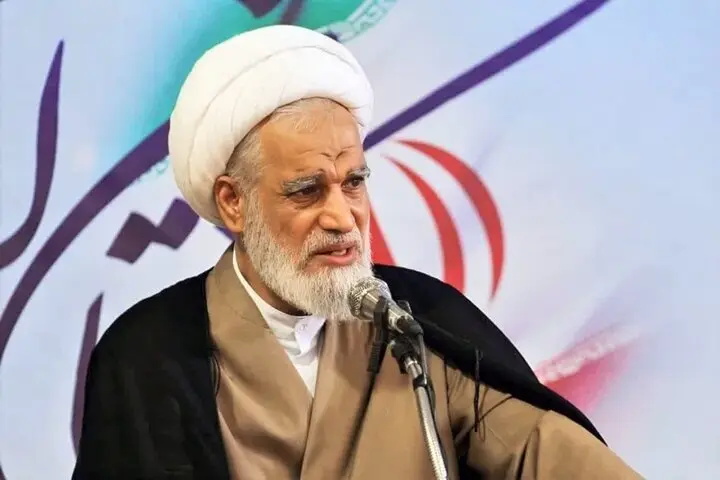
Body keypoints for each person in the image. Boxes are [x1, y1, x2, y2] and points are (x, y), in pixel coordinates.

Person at [72, 25, 642, 479]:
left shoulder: (418, 324)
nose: (343, 217)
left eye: (353, 183)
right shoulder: (150, 356)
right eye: (307, 190)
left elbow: (541, 448)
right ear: (234, 202)